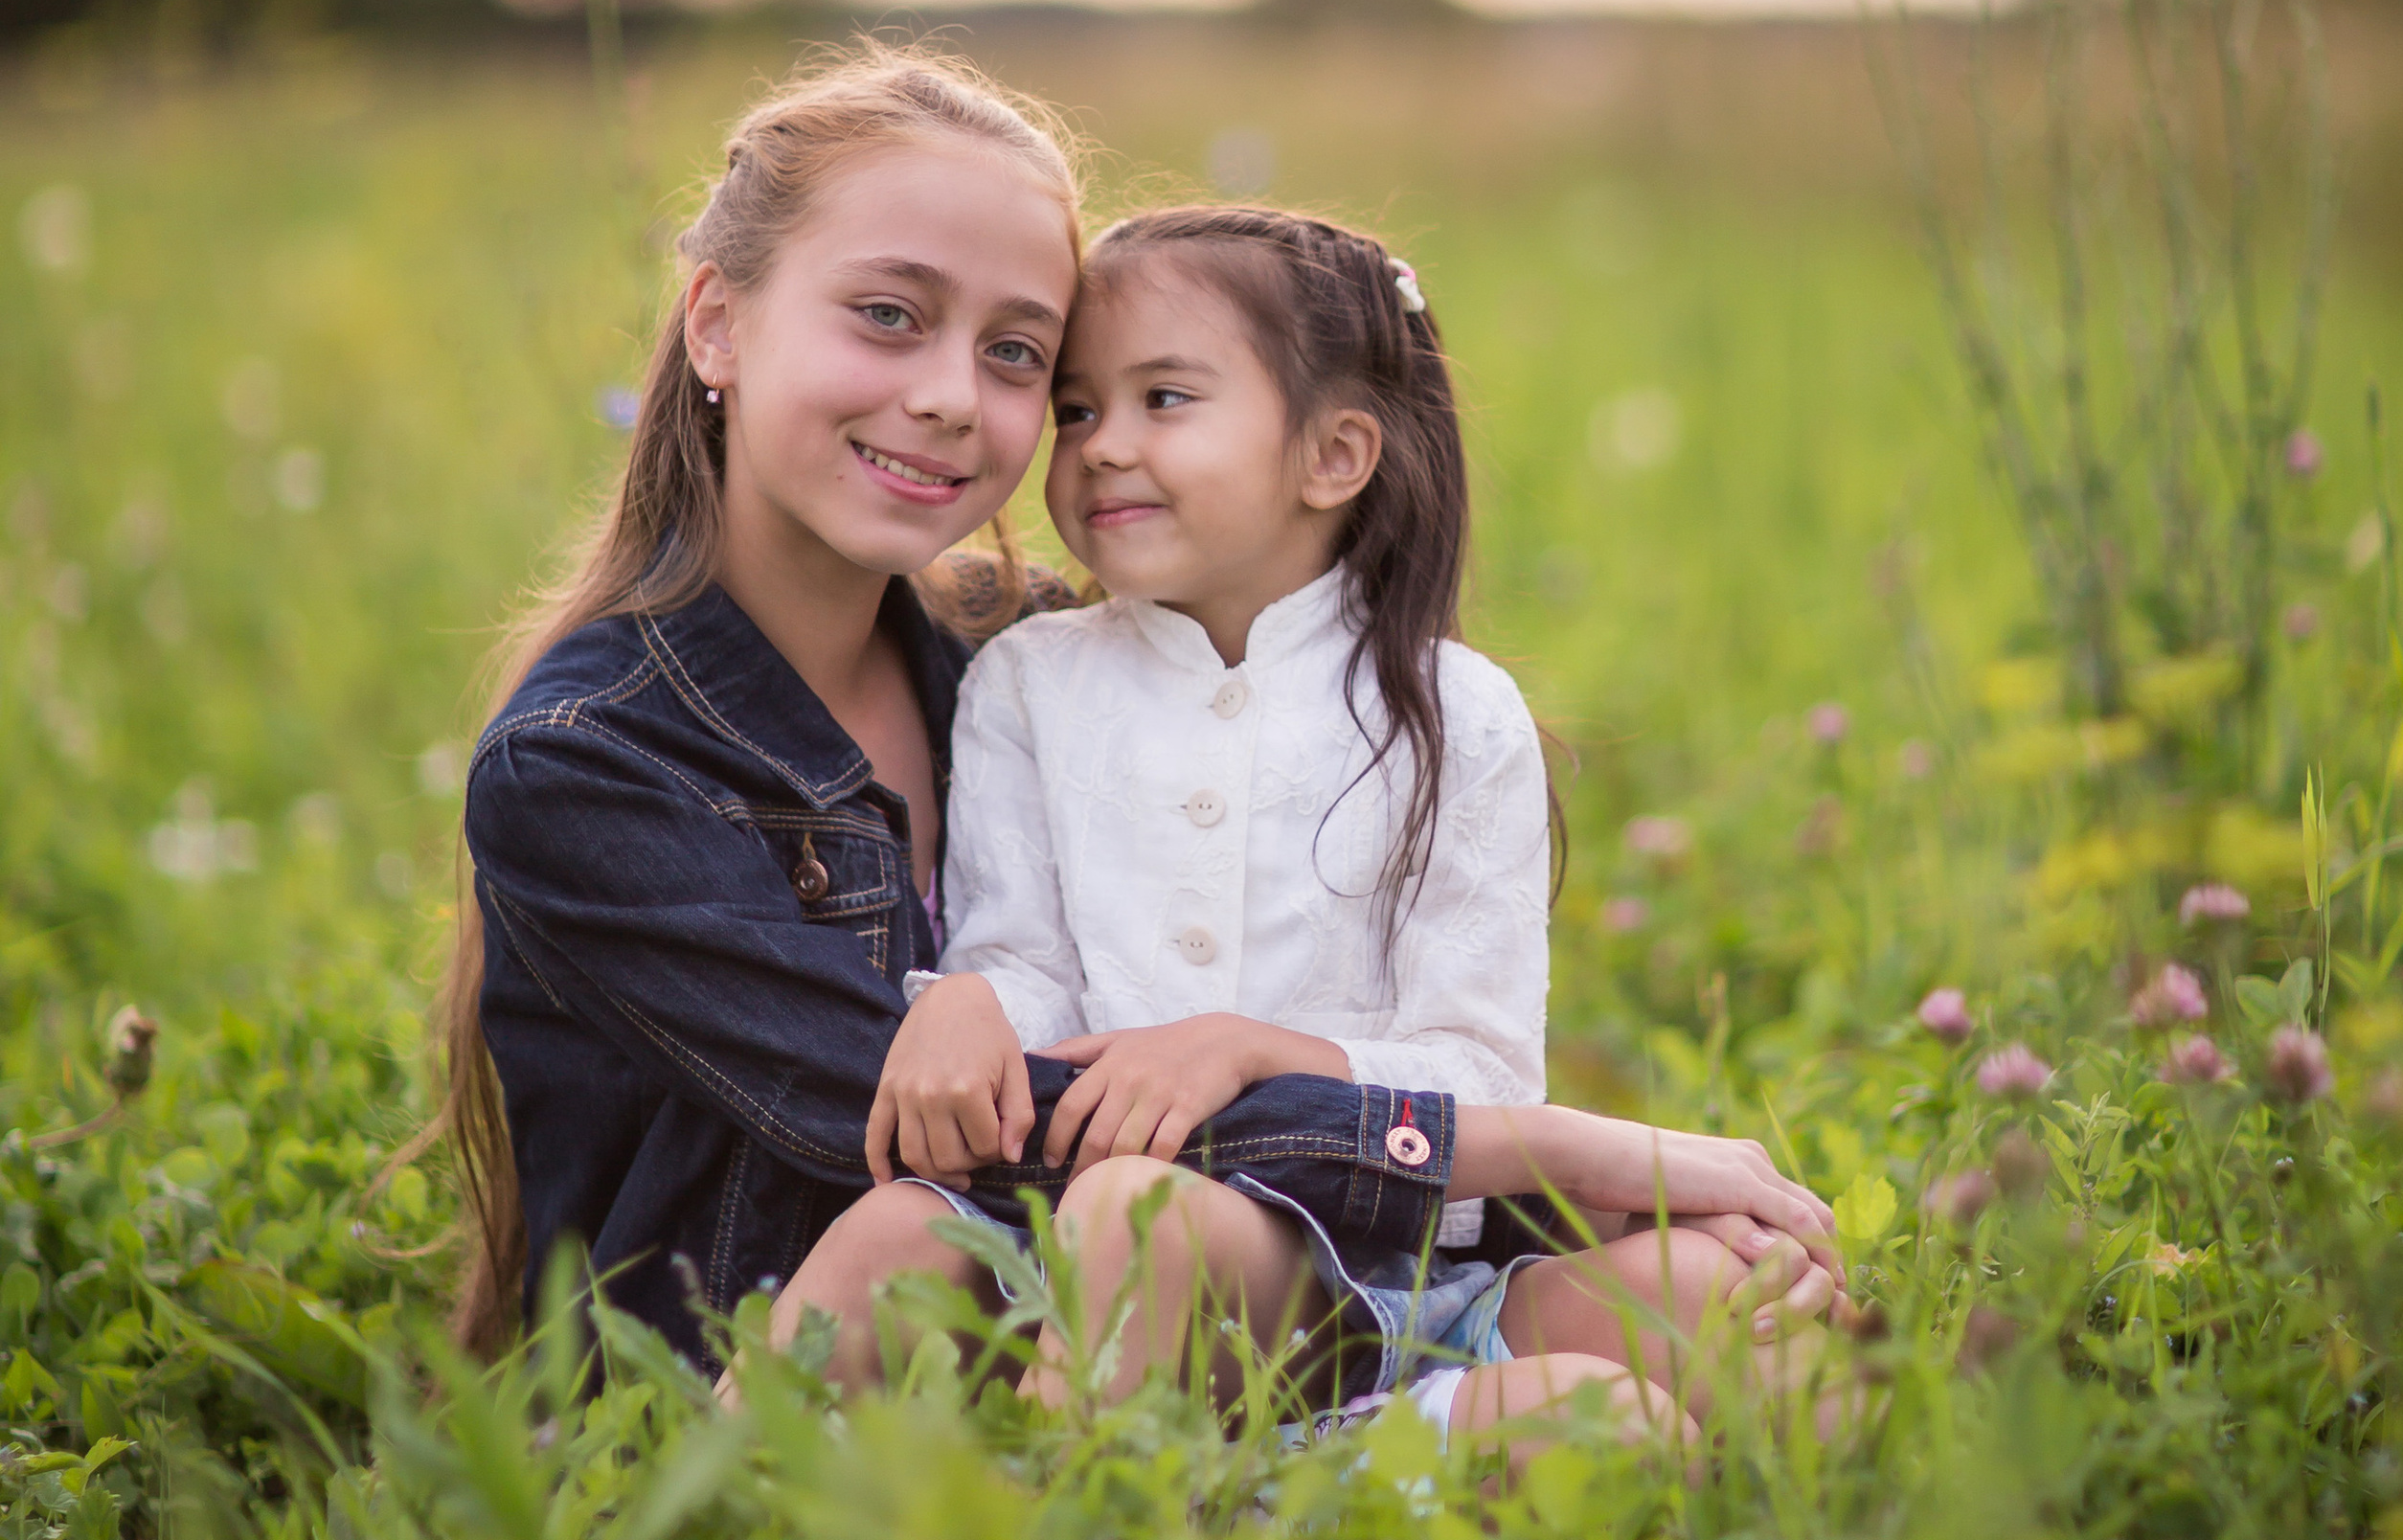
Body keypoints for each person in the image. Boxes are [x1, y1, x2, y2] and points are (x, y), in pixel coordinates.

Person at [441, 55, 1470, 1374]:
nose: (945, 395)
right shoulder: (592, 764)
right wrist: (1515, 1150)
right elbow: (977, 1132)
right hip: (740, 1430)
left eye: (1014, 355)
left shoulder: (1031, 666)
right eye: (885, 314)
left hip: (1093, 1329)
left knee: (1679, 1325)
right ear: (717, 324)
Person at [764, 201, 1842, 1460]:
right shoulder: (1031, 686)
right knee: (1136, 1216)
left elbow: (1484, 1076)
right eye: (1076, 410)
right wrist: (966, 1005)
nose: (1102, 446)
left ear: (1333, 457)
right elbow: (1035, 975)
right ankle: (1118, 1506)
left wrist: (1248, 1050)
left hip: (1406, 1278)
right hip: (1127, 1262)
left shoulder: (1450, 709)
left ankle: (1378, 1439)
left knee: (1726, 1305)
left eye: (1165, 399)